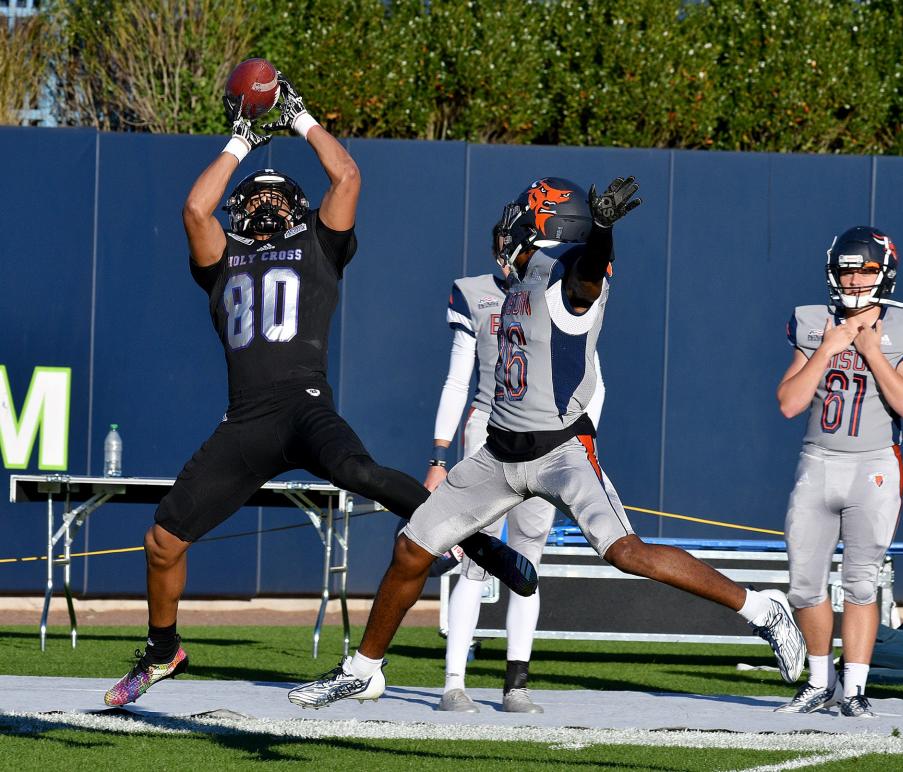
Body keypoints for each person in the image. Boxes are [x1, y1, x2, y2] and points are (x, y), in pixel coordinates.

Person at [288, 176, 807, 710]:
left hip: (561, 452)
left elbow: (584, 278)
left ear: (546, 223)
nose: (509, 226)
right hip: (498, 452)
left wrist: (601, 231)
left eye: (523, 215)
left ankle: (760, 608)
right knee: (411, 547)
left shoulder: (571, 281)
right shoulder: (523, 276)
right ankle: (365, 669)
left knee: (626, 552)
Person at [103, 73, 536, 707]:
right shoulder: (222, 256)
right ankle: (164, 647)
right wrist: (243, 142)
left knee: (361, 471)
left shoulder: (317, 249)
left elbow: (348, 178)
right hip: (246, 421)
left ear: (298, 208)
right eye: (258, 198)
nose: (268, 206)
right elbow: (196, 209)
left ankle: (473, 543)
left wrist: (301, 117)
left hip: (304, 406)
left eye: (279, 199)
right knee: (162, 541)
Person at [427, 234, 605, 714]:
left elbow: (594, 379)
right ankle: (454, 682)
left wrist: (580, 442)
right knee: (474, 560)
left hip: (547, 433)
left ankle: (516, 685)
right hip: (489, 430)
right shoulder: (477, 292)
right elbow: (457, 378)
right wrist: (439, 457)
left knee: (528, 559)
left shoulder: (559, 291)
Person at [774, 226, 903, 718]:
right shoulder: (812, 322)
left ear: (884, 272)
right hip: (817, 460)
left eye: (864, 269)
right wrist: (828, 348)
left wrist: (870, 352)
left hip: (873, 467)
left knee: (861, 582)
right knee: (804, 584)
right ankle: (819, 682)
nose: (854, 279)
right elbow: (788, 403)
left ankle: (855, 688)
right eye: (847, 269)